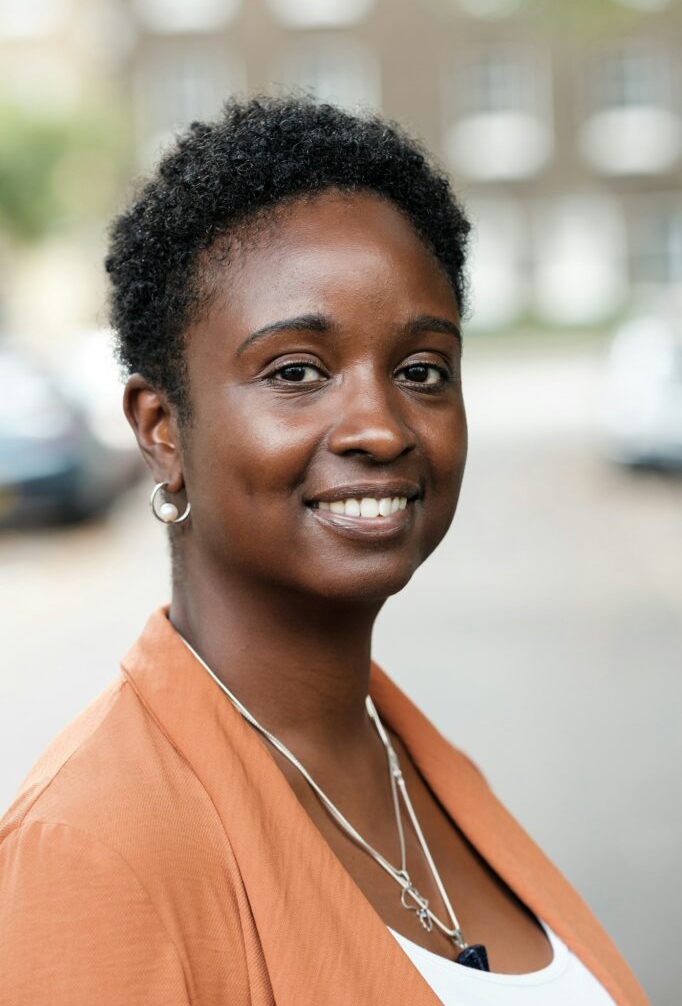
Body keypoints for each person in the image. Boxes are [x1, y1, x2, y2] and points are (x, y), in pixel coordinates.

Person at [0, 97, 647, 1005]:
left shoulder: (432, 773)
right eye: (296, 371)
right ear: (162, 430)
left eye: (422, 370)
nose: (382, 428)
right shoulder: (90, 849)